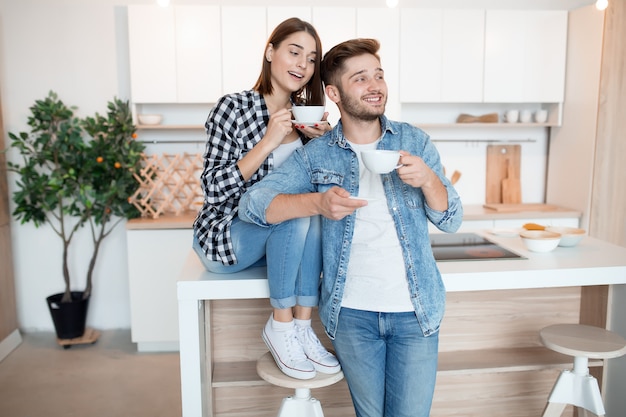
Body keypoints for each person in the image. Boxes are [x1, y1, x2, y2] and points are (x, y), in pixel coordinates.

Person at [238, 38, 463, 417]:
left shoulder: (414, 141)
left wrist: (428, 180)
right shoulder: (317, 155)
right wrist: (317, 203)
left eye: (378, 75)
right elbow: (253, 205)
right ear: (333, 93)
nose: (375, 86)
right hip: (352, 315)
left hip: (416, 311)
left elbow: (451, 219)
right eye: (360, 78)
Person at [192, 17, 340, 380]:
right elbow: (213, 189)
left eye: (310, 58)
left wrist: (327, 142)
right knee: (296, 210)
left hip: (283, 242)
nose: (302, 65)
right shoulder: (234, 108)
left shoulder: (308, 122)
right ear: (270, 52)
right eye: (294, 52)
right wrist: (268, 141)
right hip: (227, 236)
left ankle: (302, 328)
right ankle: (281, 325)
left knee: (308, 208)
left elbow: (329, 191)